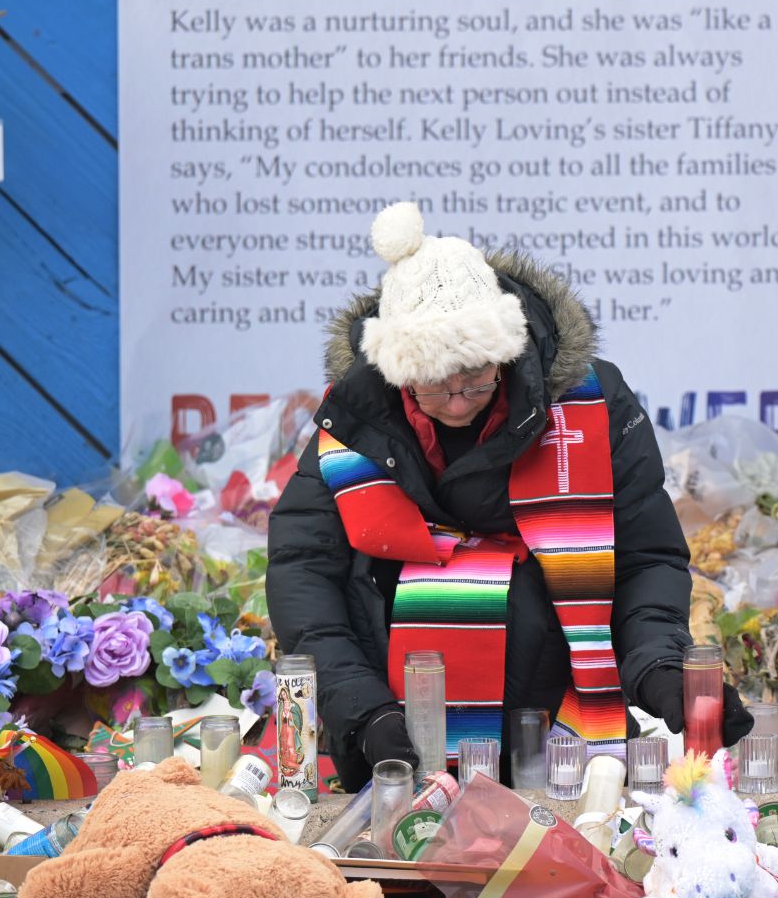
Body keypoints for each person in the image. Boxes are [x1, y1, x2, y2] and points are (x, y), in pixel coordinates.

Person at [267, 202, 750, 790]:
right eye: (433, 386)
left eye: (475, 378)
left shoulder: (592, 406)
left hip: (556, 727)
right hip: (395, 720)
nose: (457, 403)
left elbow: (646, 557)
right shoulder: (354, 420)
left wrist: (660, 668)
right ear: (395, 374)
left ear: (508, 351)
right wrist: (361, 711)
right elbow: (304, 573)